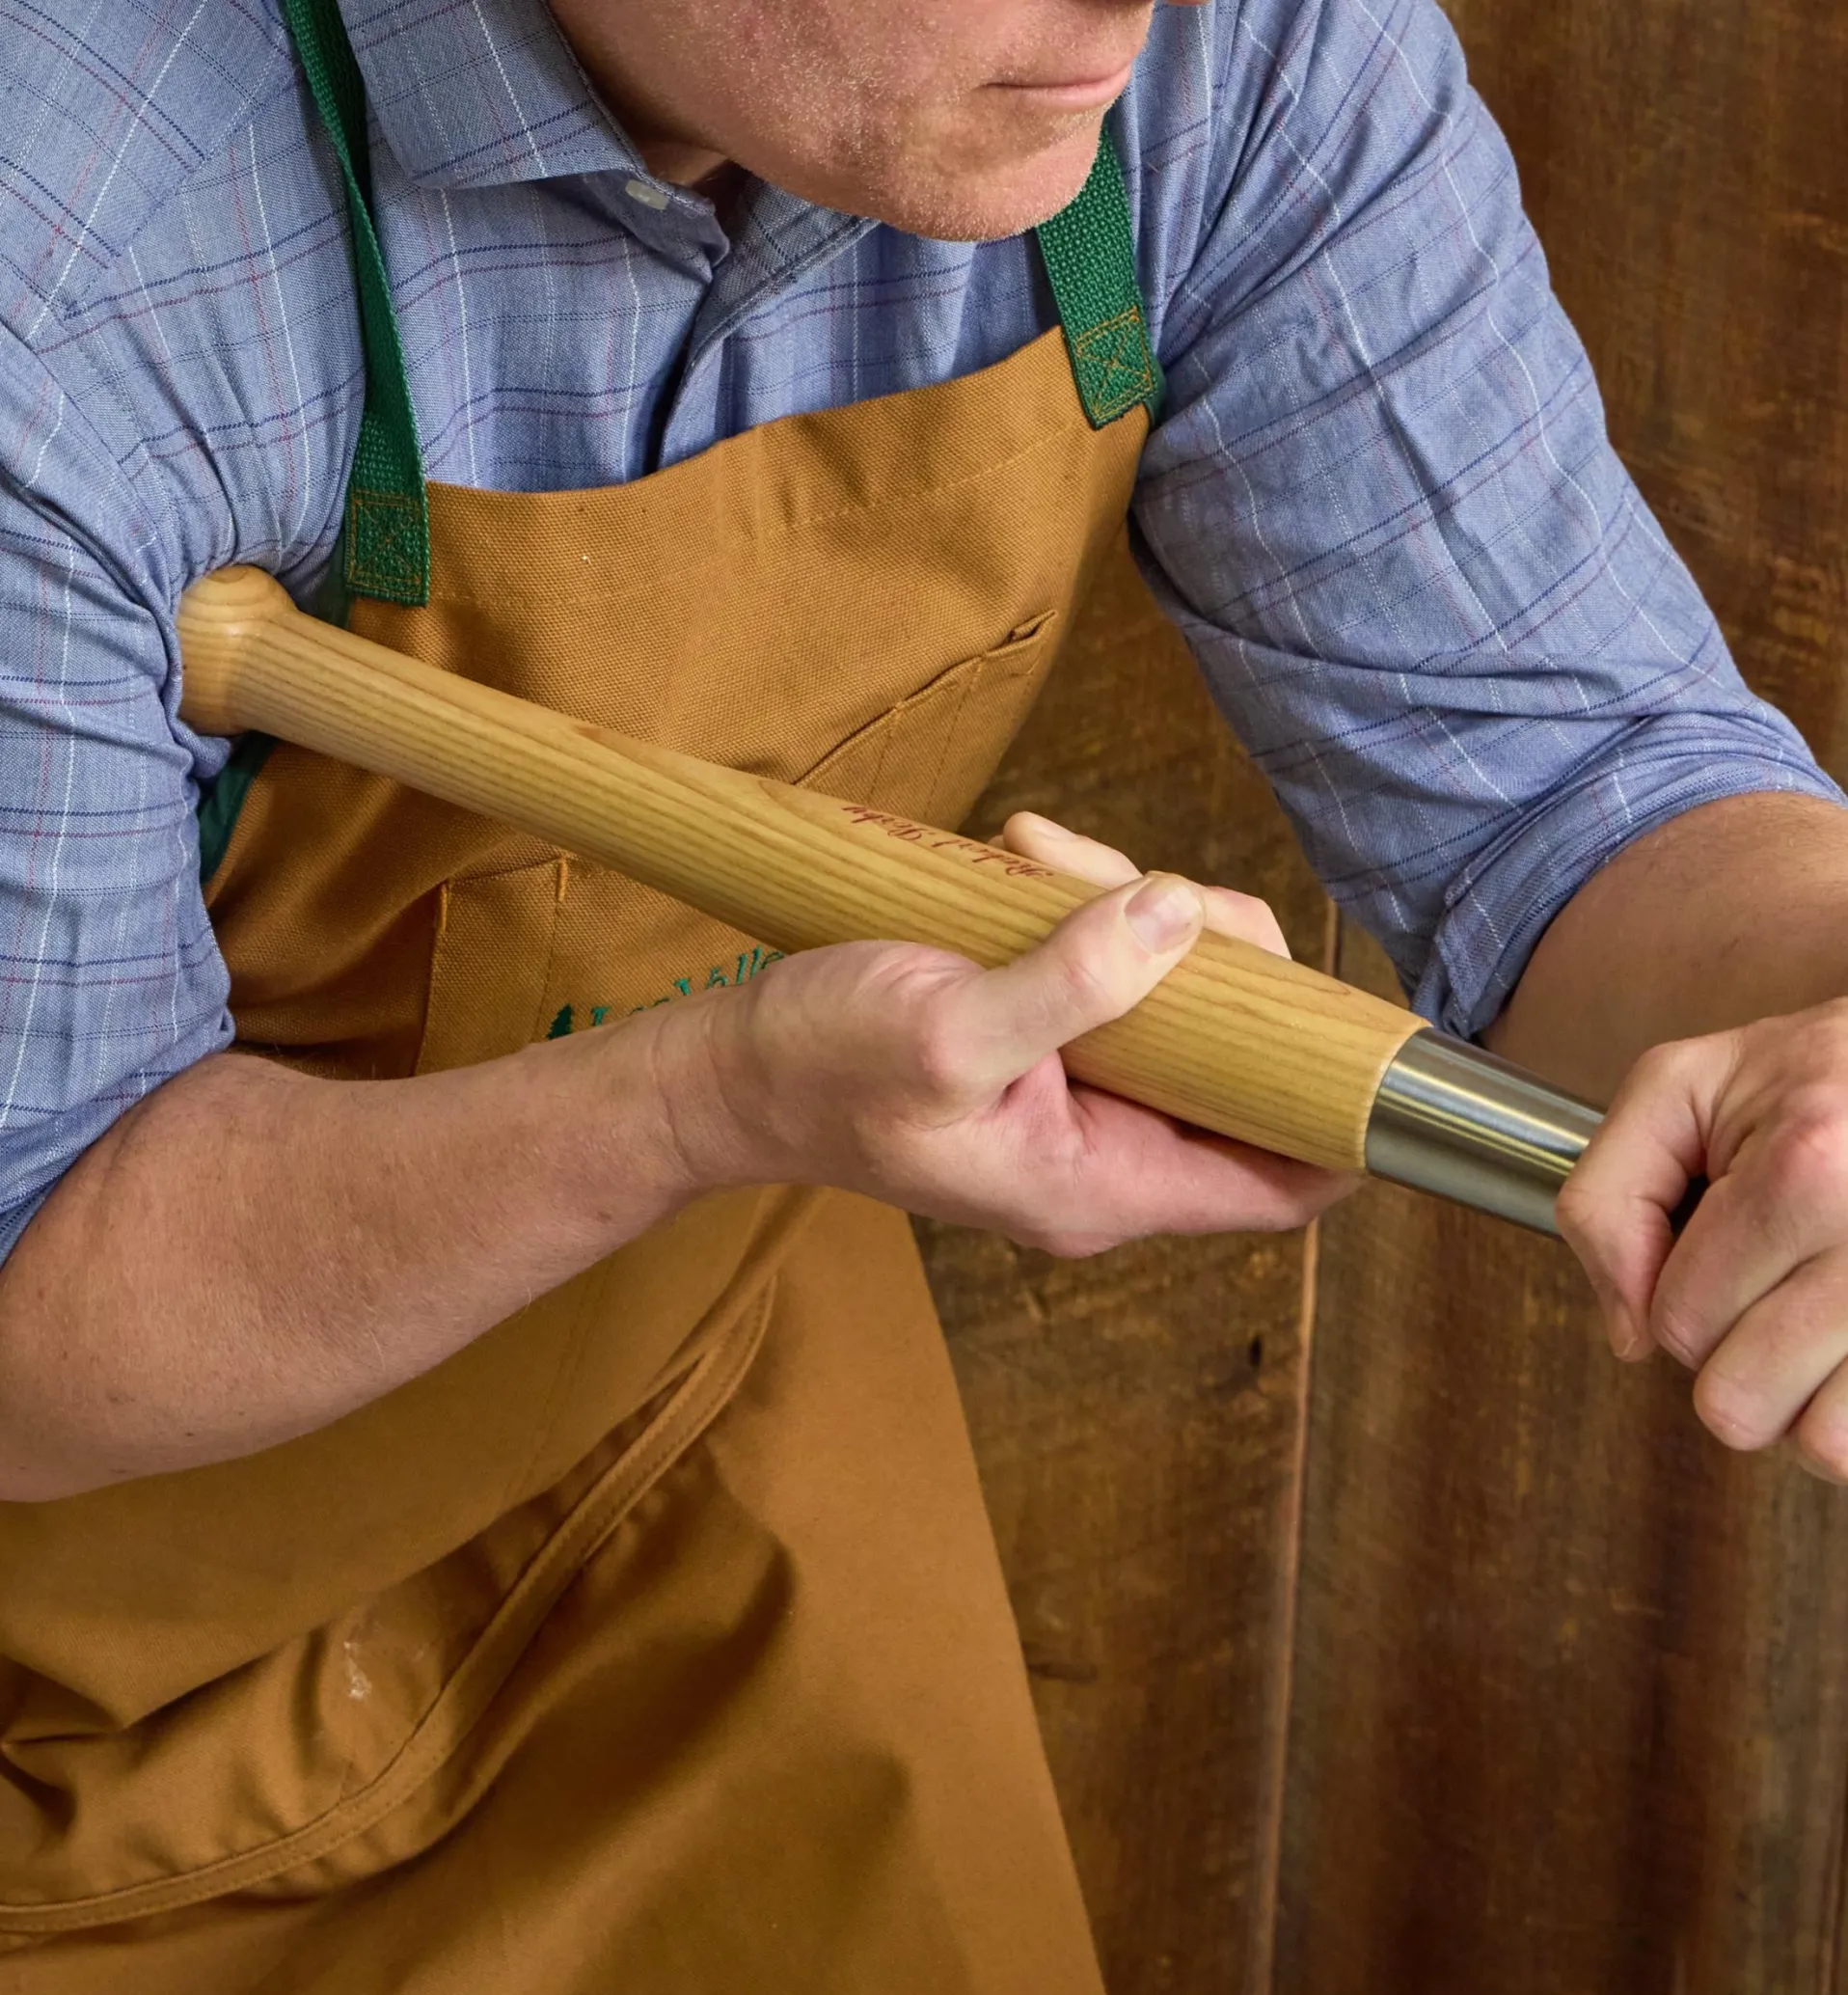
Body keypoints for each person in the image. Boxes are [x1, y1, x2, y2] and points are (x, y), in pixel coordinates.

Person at [0, 0, 1845, 1984]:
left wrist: (1810, 1036)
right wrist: (709, 1100)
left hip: (669, 1465)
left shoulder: (1231, 53)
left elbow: (1576, 786)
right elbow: (33, 1290)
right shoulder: (70, 238)